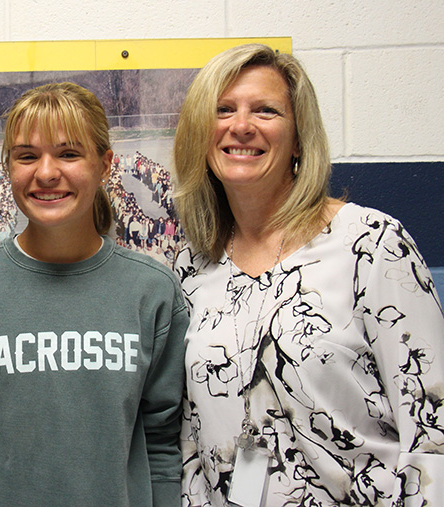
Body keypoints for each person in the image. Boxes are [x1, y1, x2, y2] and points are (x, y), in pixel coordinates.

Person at [171, 43, 444, 506]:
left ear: (299, 137)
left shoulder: (370, 243)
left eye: (266, 110)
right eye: (223, 110)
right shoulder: (190, 268)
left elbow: (433, 425)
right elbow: (190, 440)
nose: (241, 125)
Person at [0, 82, 188, 506]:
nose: (46, 173)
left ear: (105, 165)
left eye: (69, 153)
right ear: (8, 166)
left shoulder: (152, 293)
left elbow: (160, 445)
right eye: (27, 155)